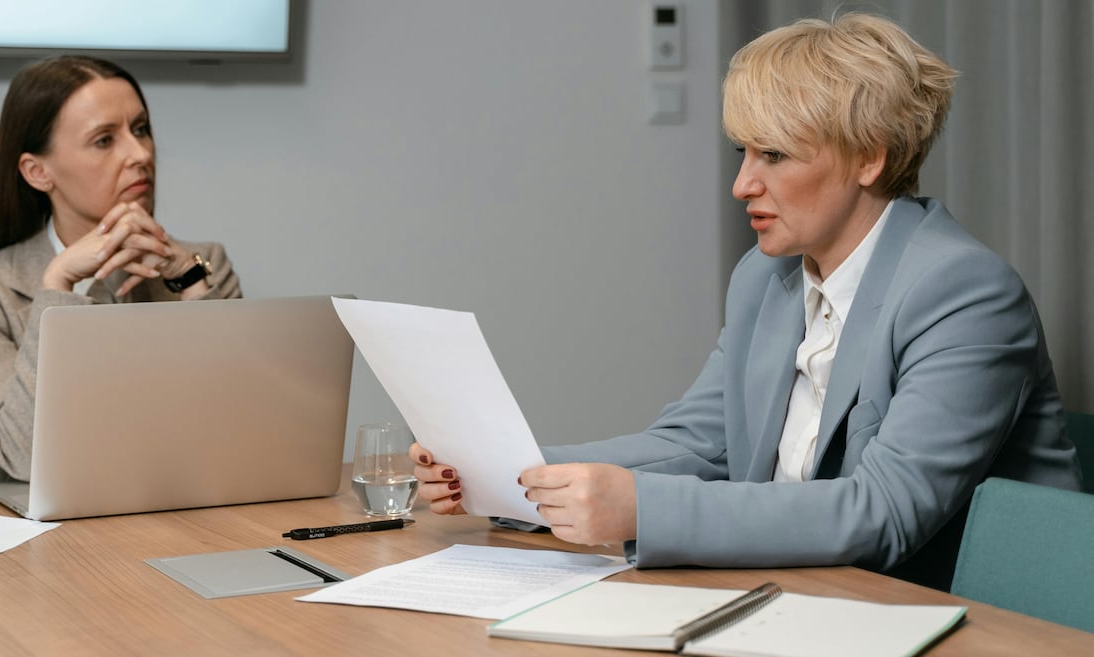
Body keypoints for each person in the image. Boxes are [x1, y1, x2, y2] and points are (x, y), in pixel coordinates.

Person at [412, 13, 1082, 590]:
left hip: (981, 621)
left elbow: (883, 511)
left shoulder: (964, 291)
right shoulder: (765, 278)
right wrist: (508, 474)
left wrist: (643, 509)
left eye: (774, 154)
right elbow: (700, 444)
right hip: (811, 596)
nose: (742, 184)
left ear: (869, 158)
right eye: (743, 151)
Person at [0, 56, 242, 492]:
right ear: (37, 171)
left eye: (140, 130)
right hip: (35, 528)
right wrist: (57, 285)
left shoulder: (202, 262)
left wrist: (189, 283)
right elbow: (22, 455)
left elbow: (236, 430)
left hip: (172, 508)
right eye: (104, 140)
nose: (140, 155)